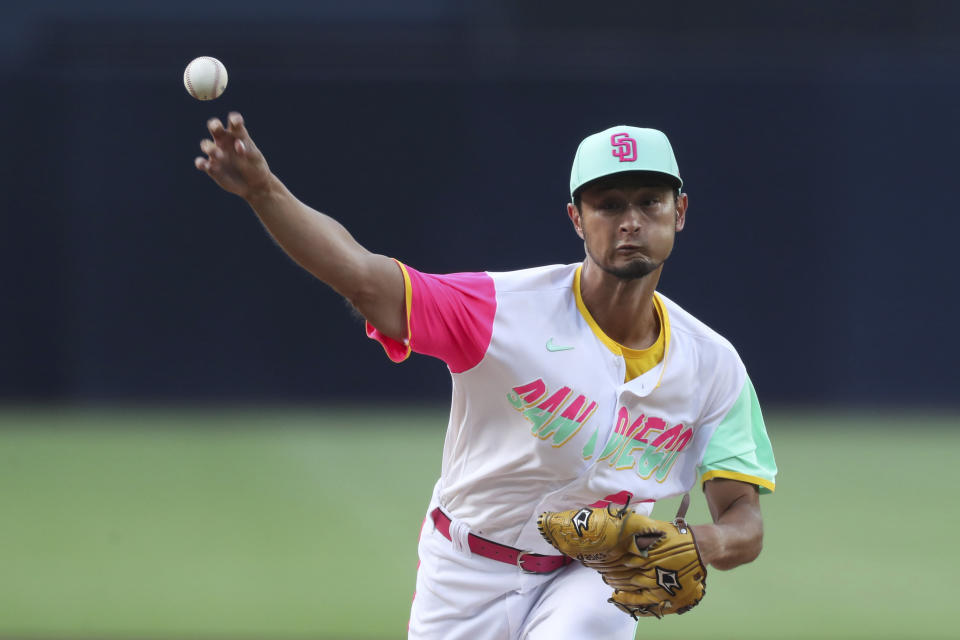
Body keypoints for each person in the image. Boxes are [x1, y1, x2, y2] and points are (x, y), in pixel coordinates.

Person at [195, 114, 777, 640]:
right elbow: (366, 280)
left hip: (595, 574)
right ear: (576, 219)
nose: (630, 221)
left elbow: (742, 520)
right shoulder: (502, 310)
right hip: (466, 570)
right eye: (609, 205)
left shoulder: (714, 364)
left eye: (650, 202)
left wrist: (704, 542)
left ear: (679, 212)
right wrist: (264, 191)